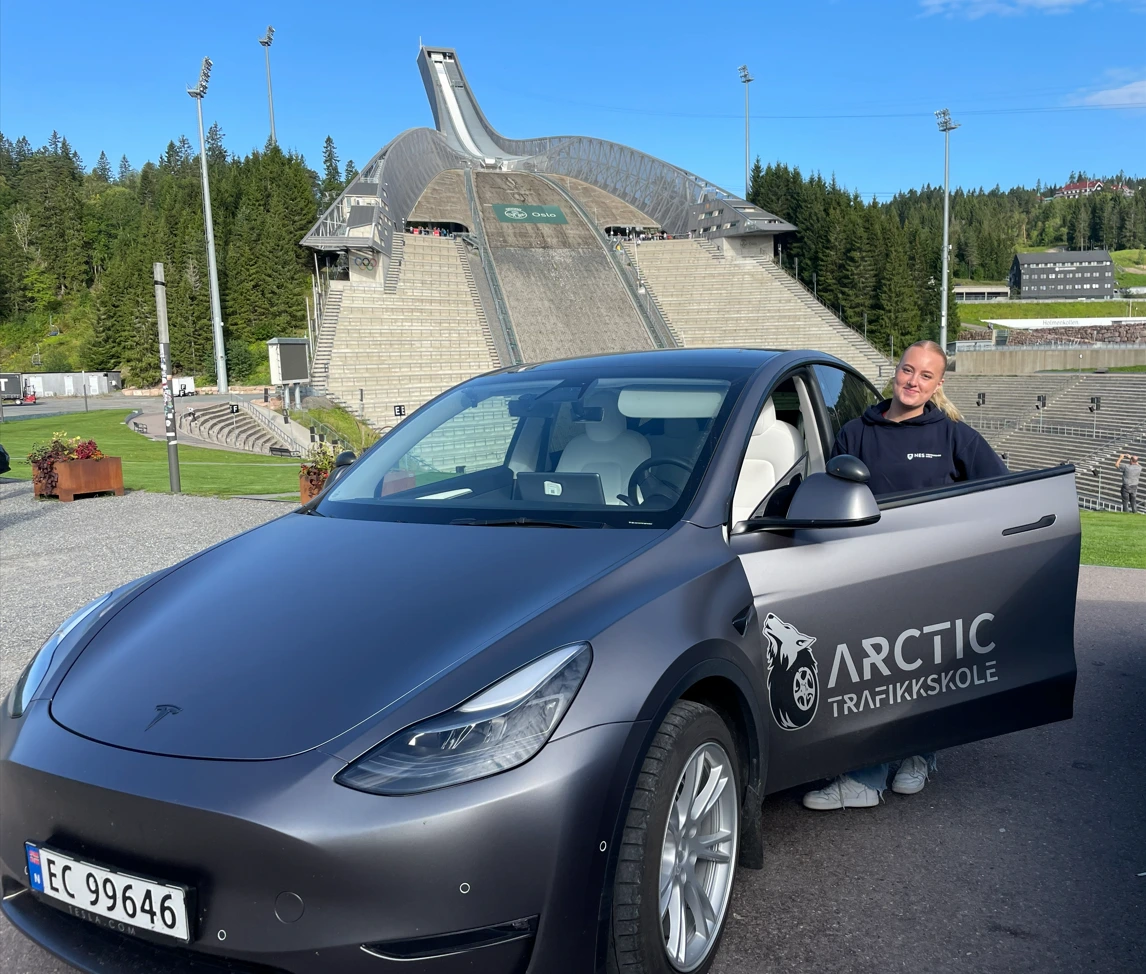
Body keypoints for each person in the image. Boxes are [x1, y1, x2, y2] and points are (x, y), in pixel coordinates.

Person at [803, 340, 1009, 812]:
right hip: (869, 572)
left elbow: (999, 490)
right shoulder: (857, 432)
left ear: (938, 385)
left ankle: (919, 753)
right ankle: (864, 777)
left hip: (932, 573)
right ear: (894, 372)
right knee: (872, 676)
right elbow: (832, 499)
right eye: (906, 370)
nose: (912, 382)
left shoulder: (954, 436)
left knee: (923, 670)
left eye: (925, 376)